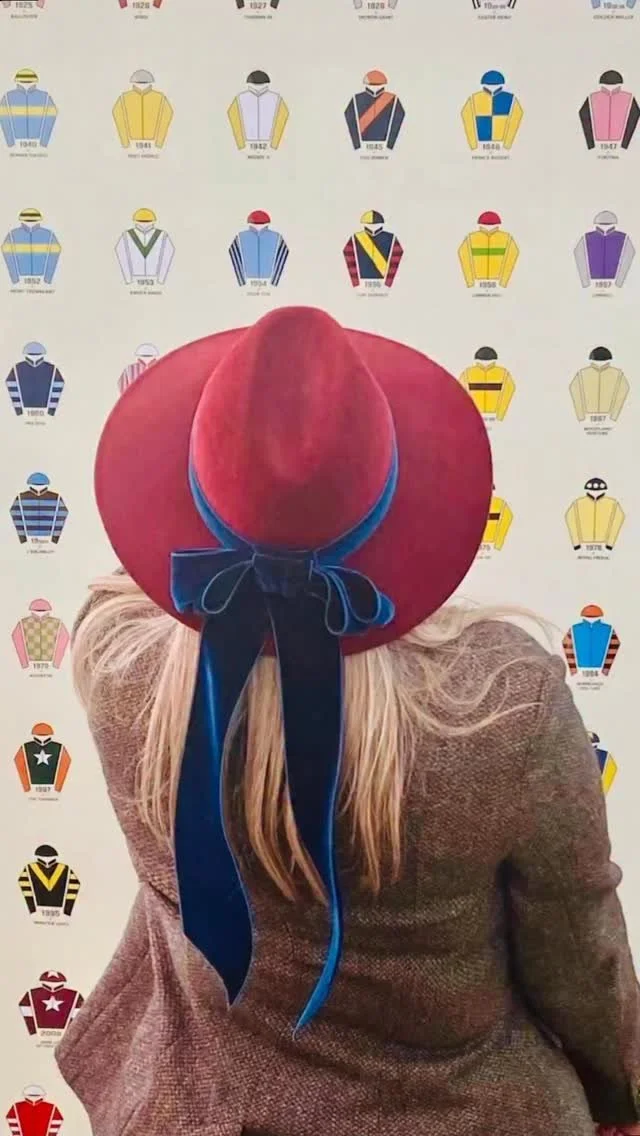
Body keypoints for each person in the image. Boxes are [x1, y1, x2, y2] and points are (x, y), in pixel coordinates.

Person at [55, 307, 640, 1136]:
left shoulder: (115, 655)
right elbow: (578, 957)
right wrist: (622, 1092)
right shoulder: (504, 703)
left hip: (197, 1108)